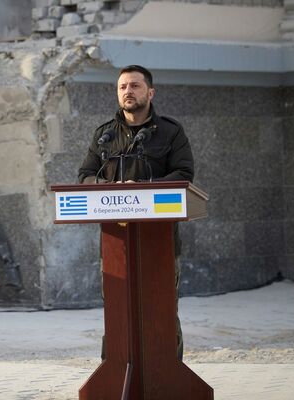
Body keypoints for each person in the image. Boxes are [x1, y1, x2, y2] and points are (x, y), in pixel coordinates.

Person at [77, 65, 193, 360]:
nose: (128, 91)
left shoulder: (170, 131)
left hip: (160, 240)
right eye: (122, 87)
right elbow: (85, 176)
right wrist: (112, 187)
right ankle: (115, 370)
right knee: (117, 308)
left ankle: (168, 373)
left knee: (162, 307)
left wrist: (142, 187)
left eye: (135, 86)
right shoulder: (104, 135)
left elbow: (184, 174)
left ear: (150, 92)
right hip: (116, 241)